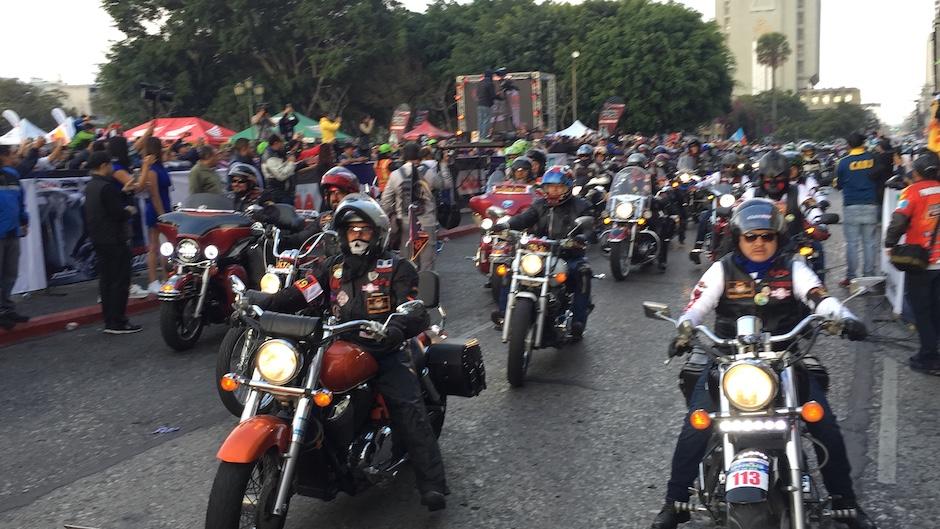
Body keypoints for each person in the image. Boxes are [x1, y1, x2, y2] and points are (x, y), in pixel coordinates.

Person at [650, 198, 874, 529]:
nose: (759, 243)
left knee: (824, 424)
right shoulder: (722, 268)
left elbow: (818, 296)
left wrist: (843, 317)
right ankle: (675, 502)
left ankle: (845, 501)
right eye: (751, 236)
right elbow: (698, 305)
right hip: (729, 362)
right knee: (696, 426)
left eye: (767, 236)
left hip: (784, 361)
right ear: (739, 237)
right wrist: (685, 328)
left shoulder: (792, 266)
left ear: (777, 238)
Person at [254, 194, 447, 510]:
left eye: (363, 230)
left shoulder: (396, 267)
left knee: (408, 407)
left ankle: (432, 484)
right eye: (351, 230)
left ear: (377, 233)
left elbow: (414, 307)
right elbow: (302, 291)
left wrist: (395, 327)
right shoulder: (333, 268)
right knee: (287, 391)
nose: (357, 236)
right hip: (337, 343)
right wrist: (263, 301)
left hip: (385, 347)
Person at [492, 166, 593, 338]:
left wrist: (582, 238)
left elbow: (589, 228)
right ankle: (503, 314)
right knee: (509, 268)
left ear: (567, 187)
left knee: (583, 272)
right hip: (539, 253)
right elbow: (524, 218)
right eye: (549, 187)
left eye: (558, 187)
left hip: (568, 254)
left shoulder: (581, 206)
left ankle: (578, 321)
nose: (553, 191)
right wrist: (506, 225)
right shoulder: (539, 205)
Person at [885, 152, 940, 373]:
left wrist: (890, 242)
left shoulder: (913, 191)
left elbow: (898, 220)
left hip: (922, 262)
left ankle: (929, 357)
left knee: (922, 311)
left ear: (916, 173)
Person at [83, 152, 142, 335]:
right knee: (119, 280)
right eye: (109, 165)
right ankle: (118, 321)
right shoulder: (106, 187)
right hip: (114, 239)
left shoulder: (91, 186)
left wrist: (122, 193)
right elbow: (117, 213)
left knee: (106, 280)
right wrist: (129, 210)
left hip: (99, 239)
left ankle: (110, 320)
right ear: (103, 165)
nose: (111, 168)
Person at [380, 142, 440, 271]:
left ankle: (410, 289)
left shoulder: (395, 175)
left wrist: (392, 216)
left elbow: (385, 201)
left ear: (403, 156)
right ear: (419, 155)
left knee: (408, 263)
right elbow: (442, 184)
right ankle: (426, 288)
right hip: (426, 223)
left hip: (406, 224)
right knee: (426, 263)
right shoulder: (428, 172)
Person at [834, 132, 880, 287]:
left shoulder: (843, 162)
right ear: (863, 143)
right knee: (870, 243)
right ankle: (870, 276)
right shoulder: (872, 158)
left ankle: (851, 277)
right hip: (870, 204)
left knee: (852, 244)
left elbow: (838, 184)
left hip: (851, 205)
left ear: (849, 144)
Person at [0, 145, 33, 329]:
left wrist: (24, 220)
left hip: (13, 232)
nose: (16, 156)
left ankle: (7, 308)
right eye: (12, 154)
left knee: (10, 274)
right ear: (3, 156)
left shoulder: (13, 176)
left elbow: (20, 201)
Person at [138, 137, 173, 294]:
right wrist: (162, 215)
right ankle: (153, 280)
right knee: (154, 247)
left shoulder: (158, 166)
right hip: (157, 209)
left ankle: (166, 278)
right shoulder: (152, 169)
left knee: (164, 246)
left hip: (164, 208)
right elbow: (154, 195)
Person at [261, 134, 298, 204]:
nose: (283, 145)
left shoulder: (275, 154)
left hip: (281, 193)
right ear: (276, 143)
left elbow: (281, 167)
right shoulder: (270, 156)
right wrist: (291, 162)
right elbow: (281, 175)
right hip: (277, 195)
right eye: (282, 142)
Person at [476, 70, 498, 141]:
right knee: (486, 121)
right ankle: (484, 138)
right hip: (487, 104)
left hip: (479, 104)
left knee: (481, 121)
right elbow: (493, 95)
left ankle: (480, 137)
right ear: (490, 76)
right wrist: (499, 96)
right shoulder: (490, 83)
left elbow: (477, 94)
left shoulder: (479, 83)